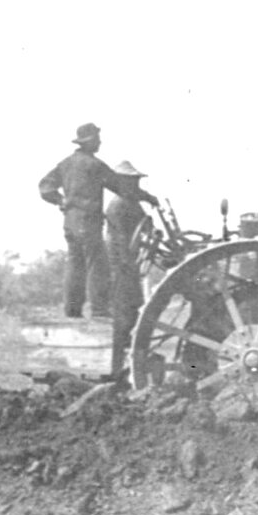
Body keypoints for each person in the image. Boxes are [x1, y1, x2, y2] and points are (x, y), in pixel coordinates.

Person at [38, 123, 156, 318]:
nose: (100, 143)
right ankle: (100, 310)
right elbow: (122, 188)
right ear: (90, 142)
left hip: (70, 222)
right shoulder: (94, 165)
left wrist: (61, 201)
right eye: (97, 139)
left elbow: (45, 187)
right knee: (97, 264)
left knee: (75, 263)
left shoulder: (65, 164)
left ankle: (72, 311)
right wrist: (148, 197)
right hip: (89, 222)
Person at [105, 160, 150, 377]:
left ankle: (131, 368)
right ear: (121, 183)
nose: (135, 185)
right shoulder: (118, 206)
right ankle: (116, 370)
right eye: (131, 181)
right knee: (123, 319)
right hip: (120, 268)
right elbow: (122, 242)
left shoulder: (132, 202)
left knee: (134, 316)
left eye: (136, 181)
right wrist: (129, 264)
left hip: (129, 268)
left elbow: (144, 222)